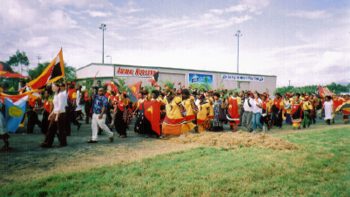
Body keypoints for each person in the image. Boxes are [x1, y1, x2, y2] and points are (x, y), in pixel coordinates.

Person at [41, 83, 67, 148]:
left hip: (60, 114)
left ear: (58, 87)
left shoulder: (61, 95)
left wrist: (57, 116)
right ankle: (47, 143)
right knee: (50, 128)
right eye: (52, 86)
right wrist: (51, 114)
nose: (52, 88)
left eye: (53, 86)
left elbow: (61, 106)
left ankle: (63, 143)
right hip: (55, 113)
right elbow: (55, 106)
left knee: (60, 129)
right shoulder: (55, 95)